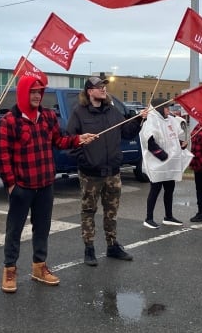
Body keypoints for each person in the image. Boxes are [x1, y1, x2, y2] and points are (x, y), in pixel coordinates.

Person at [0, 76, 96, 293]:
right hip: (22, 186)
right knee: (14, 230)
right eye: (32, 92)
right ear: (23, 93)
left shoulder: (48, 116)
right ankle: (9, 269)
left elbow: (59, 141)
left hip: (45, 184)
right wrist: (11, 184)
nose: (36, 96)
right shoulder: (10, 121)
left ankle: (39, 267)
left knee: (42, 228)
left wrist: (78, 139)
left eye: (39, 92)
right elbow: (2, 155)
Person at [66, 76, 140, 266]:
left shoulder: (112, 111)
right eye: (99, 87)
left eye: (104, 86)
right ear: (90, 91)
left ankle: (112, 245)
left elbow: (127, 132)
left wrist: (140, 120)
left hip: (112, 172)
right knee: (88, 211)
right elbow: (70, 142)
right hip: (91, 174)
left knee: (111, 212)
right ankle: (89, 249)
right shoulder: (80, 113)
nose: (103, 89)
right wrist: (86, 160)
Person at [139, 98, 193, 229]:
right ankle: (148, 218)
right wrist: (163, 156)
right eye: (167, 108)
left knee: (169, 189)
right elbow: (149, 141)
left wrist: (181, 145)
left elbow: (172, 138)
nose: (169, 110)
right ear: (159, 108)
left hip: (170, 163)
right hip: (158, 163)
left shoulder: (170, 120)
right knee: (155, 189)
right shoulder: (151, 121)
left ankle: (168, 216)